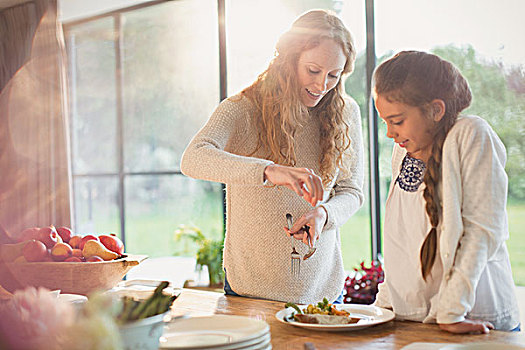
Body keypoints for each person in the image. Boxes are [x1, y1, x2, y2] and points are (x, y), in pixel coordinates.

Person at [180, 9, 364, 304]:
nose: (321, 85)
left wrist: (324, 214)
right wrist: (270, 171)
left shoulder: (346, 112)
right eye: (313, 71)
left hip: (324, 291)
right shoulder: (244, 107)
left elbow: (351, 191)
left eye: (333, 75)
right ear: (289, 59)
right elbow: (193, 158)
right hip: (249, 290)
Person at [372, 51, 520, 333]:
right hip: (415, 321)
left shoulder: (471, 135)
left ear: (436, 110)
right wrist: (384, 305)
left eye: (397, 120)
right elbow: (400, 235)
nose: (390, 133)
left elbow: (482, 231)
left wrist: (453, 311)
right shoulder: (402, 149)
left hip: (471, 318)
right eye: (385, 122)